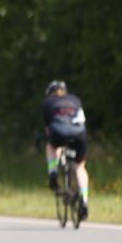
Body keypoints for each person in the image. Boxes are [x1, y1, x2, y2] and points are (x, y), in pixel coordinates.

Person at [42, 80, 89, 219]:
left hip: (59, 133)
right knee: (80, 167)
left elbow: (47, 128)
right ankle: (84, 200)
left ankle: (53, 172)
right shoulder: (75, 99)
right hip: (79, 135)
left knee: (51, 145)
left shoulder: (48, 102)